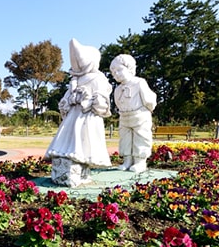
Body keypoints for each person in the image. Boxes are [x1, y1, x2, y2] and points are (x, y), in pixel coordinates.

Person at [45, 39, 112, 187]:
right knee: (70, 139)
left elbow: (102, 100)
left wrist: (88, 99)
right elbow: (66, 98)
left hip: (87, 116)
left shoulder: (98, 77)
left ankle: (82, 172)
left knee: (84, 141)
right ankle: (69, 168)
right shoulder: (74, 80)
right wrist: (68, 100)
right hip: (73, 115)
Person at [110, 54, 157, 172]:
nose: (116, 74)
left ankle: (140, 162)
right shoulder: (117, 89)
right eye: (113, 72)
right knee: (125, 139)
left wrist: (148, 109)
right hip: (125, 117)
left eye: (119, 70)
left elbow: (149, 99)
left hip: (139, 115)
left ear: (130, 68)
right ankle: (127, 160)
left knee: (141, 137)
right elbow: (117, 103)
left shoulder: (139, 82)